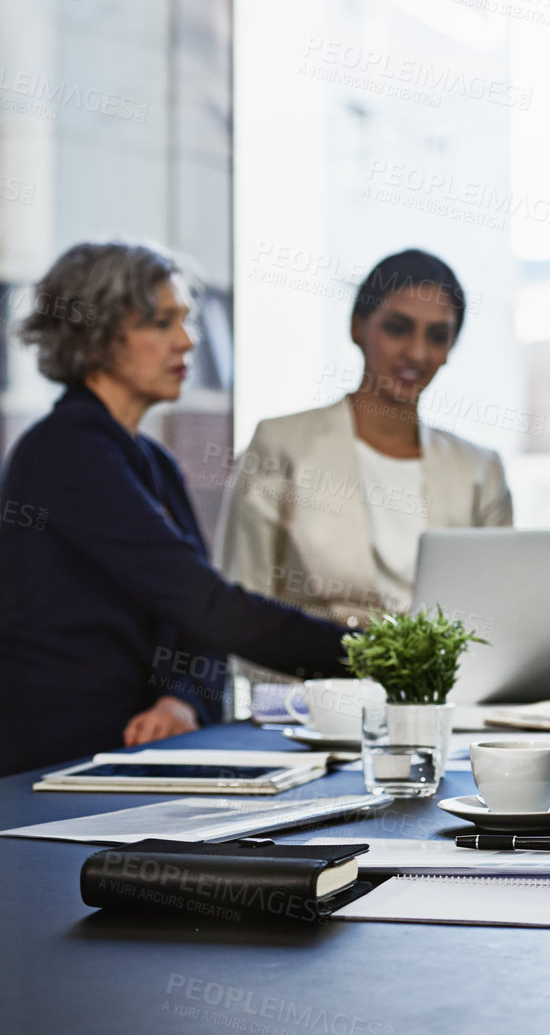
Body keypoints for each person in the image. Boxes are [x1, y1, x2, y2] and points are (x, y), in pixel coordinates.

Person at [0, 242, 351, 776]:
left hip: (139, 754)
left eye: (183, 322)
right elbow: (209, 605)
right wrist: (369, 656)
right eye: (161, 323)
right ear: (97, 336)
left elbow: (197, 625)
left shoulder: (153, 460)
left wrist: (179, 700)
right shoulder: (64, 451)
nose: (186, 341)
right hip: (57, 766)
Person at [216, 249, 512, 640]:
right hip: (308, 691)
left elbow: (500, 613)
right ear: (358, 327)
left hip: (440, 695)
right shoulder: (281, 443)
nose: (417, 353)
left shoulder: (479, 468)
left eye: (438, 336)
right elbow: (244, 595)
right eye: (398, 328)